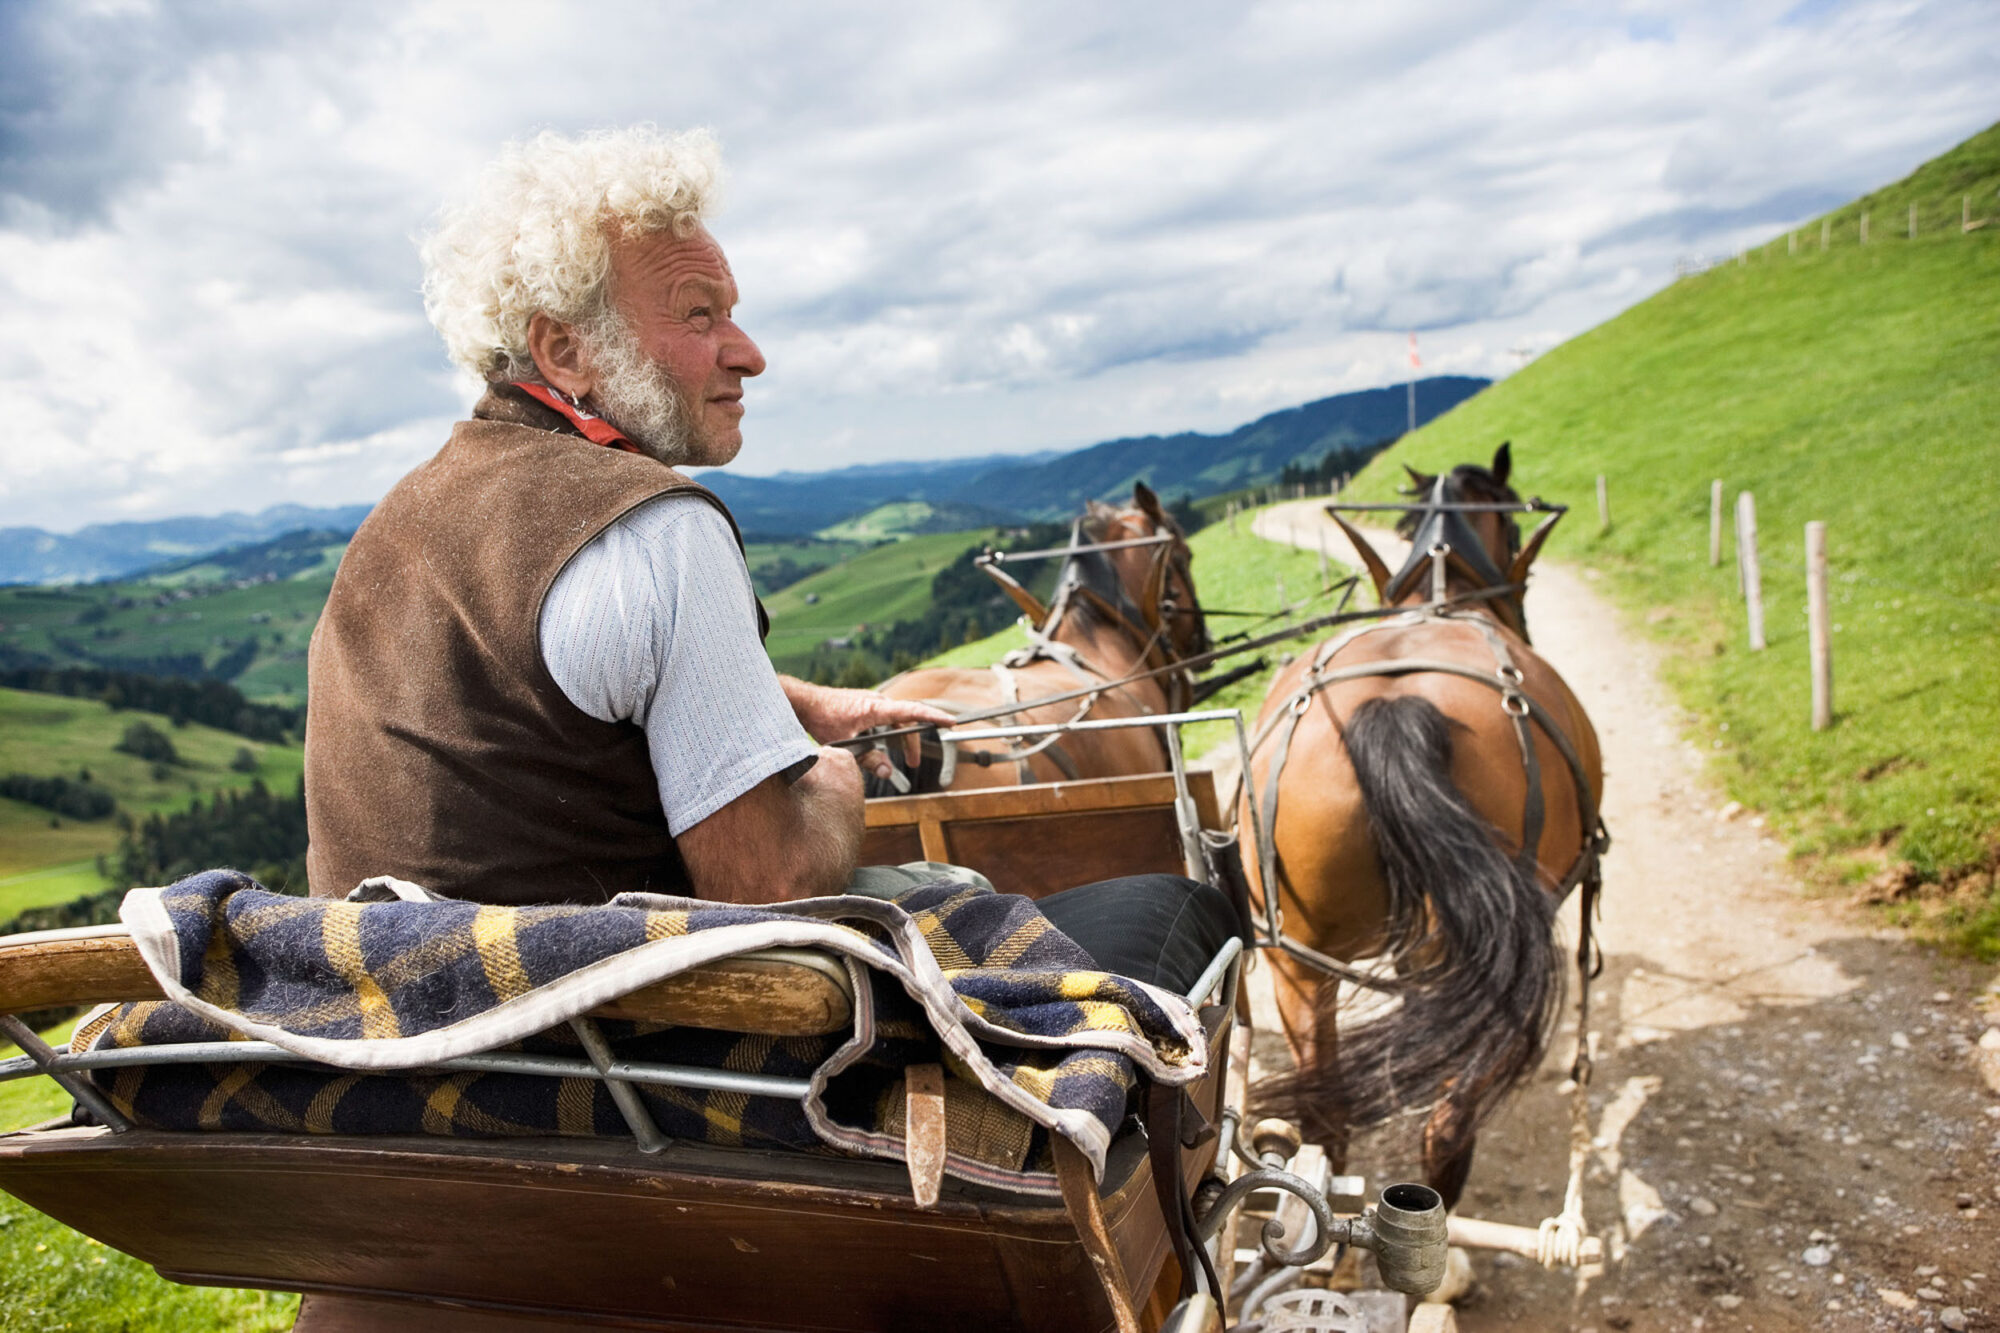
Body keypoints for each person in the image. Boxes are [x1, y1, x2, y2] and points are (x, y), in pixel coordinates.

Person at [303, 126, 1234, 988]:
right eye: (698, 314)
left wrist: (809, 707)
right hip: (609, 1056)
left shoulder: (392, 530)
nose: (747, 354)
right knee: (1156, 911)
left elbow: (558, 694)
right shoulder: (653, 527)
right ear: (565, 349)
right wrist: (834, 776)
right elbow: (774, 881)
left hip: (406, 1031)